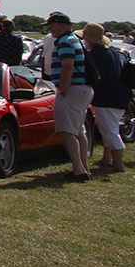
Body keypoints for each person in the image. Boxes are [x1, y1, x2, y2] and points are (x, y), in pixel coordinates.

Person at [47, 12, 92, 181]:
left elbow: (68, 67)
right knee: (78, 130)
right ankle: (83, 167)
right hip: (81, 89)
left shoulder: (65, 41)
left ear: (61, 25)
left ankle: (79, 171)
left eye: (52, 25)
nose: (50, 29)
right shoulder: (74, 40)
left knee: (66, 131)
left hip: (72, 89)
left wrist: (63, 89)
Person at [85, 23, 128, 174]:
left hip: (107, 98)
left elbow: (98, 78)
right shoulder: (111, 51)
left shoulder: (96, 54)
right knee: (110, 129)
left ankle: (118, 165)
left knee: (110, 131)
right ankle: (107, 160)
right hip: (118, 95)